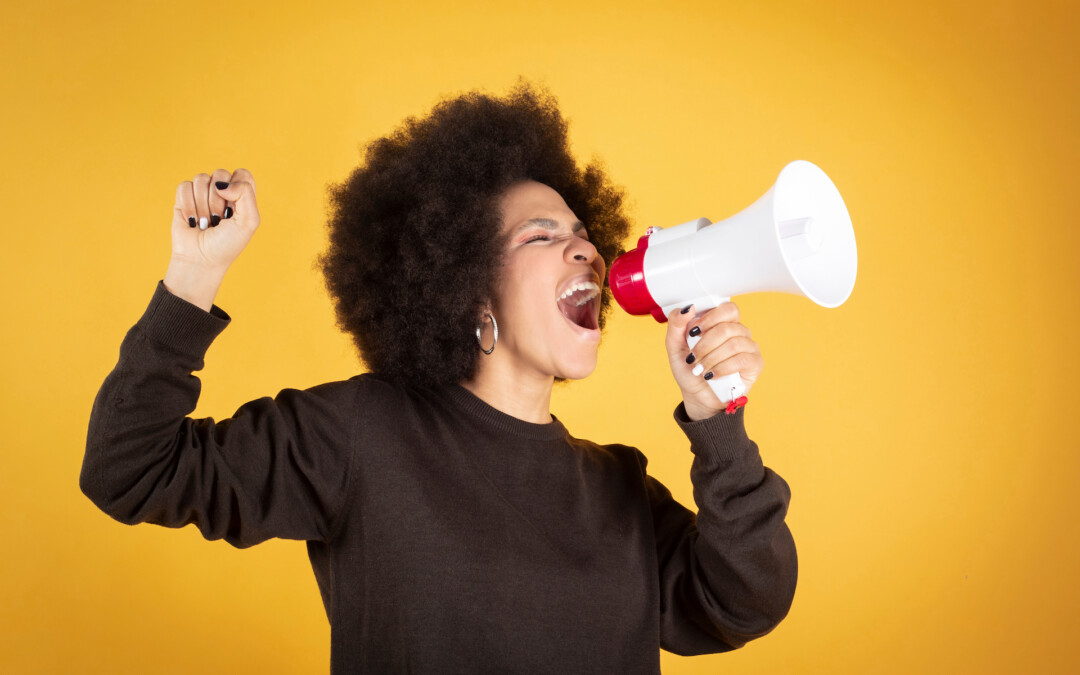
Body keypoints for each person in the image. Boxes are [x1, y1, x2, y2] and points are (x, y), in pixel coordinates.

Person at [81, 81, 796, 673]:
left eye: (584, 235)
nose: (584, 251)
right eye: (542, 234)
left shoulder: (617, 488)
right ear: (465, 287)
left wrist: (718, 426)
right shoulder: (363, 434)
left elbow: (744, 599)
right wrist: (194, 275)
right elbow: (128, 467)